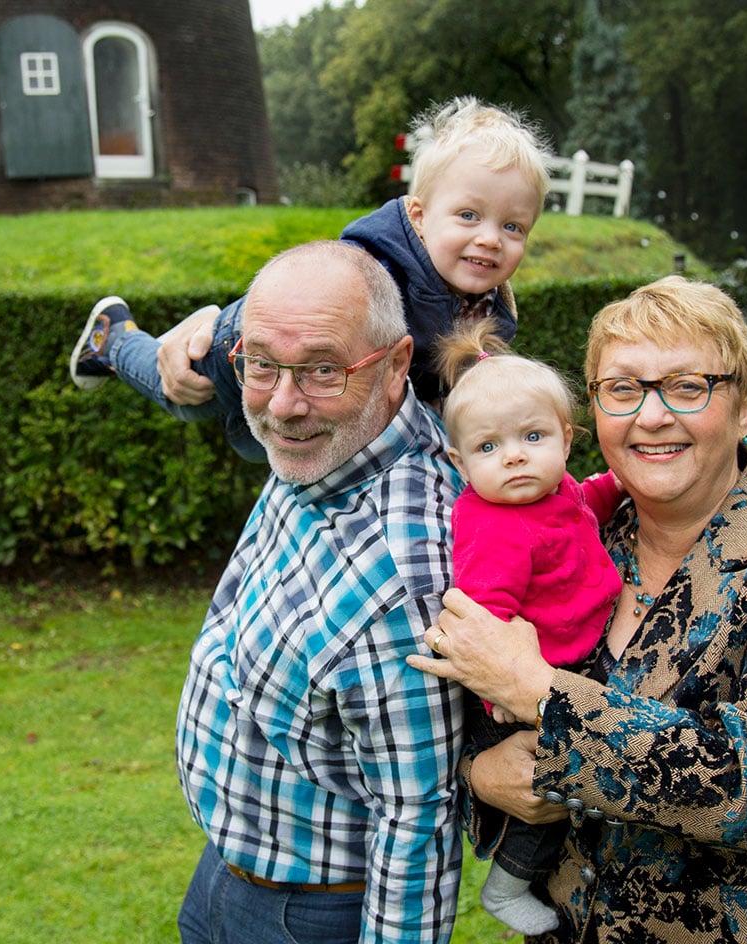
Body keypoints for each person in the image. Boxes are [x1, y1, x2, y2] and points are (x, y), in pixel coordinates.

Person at [408, 276, 747, 943]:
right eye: (623, 389)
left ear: (745, 407)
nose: (651, 416)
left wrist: (538, 694)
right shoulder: (585, 539)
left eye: (688, 385)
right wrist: (481, 774)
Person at [174, 240, 468, 944]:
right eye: (261, 365)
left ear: (398, 364)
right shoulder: (332, 445)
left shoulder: (404, 577)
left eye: (321, 371)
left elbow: (417, 819)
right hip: (226, 871)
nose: (282, 405)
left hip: (304, 916)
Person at [69, 96, 552, 462]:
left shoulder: (491, 313)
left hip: (311, 403)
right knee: (184, 396)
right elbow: (303, 303)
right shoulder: (372, 268)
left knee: (267, 443)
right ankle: (112, 339)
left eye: (512, 227)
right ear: (420, 216)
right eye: (468, 215)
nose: (490, 239)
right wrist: (213, 321)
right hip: (247, 350)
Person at [433, 321, 623, 935]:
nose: (513, 455)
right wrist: (506, 696)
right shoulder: (494, 526)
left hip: (569, 660)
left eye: (532, 436)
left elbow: (581, 505)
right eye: (488, 448)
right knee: (551, 794)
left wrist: (616, 485)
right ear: (460, 463)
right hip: (528, 685)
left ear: (566, 440)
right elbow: (485, 618)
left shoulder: (554, 491)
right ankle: (509, 884)